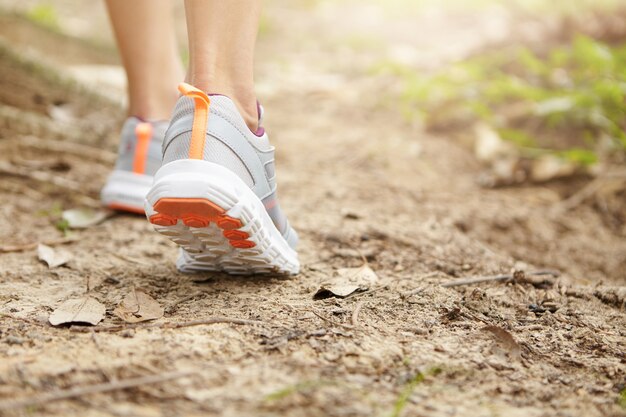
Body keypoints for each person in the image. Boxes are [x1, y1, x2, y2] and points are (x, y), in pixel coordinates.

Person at [100, 0, 299, 275]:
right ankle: (226, 106)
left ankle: (152, 123)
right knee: (216, 85)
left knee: (159, 102)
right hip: (221, 138)